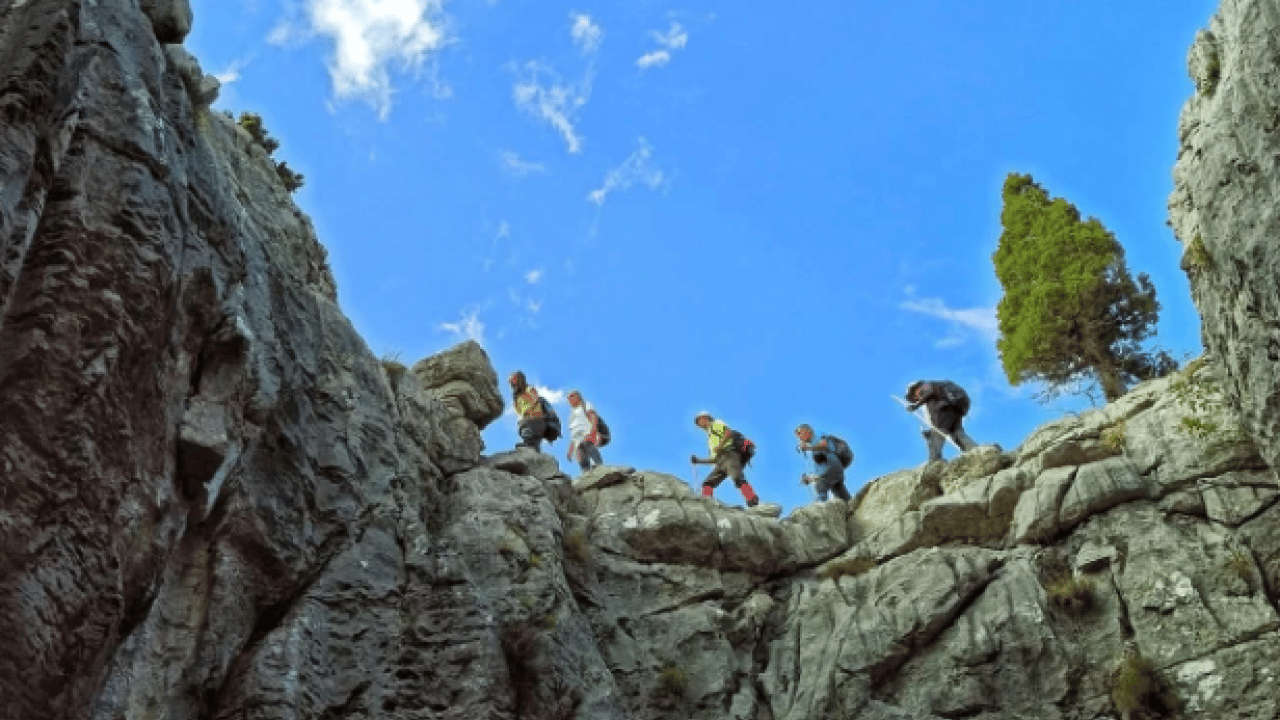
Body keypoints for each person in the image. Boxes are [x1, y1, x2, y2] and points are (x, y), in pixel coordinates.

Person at [690, 411, 761, 507]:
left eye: (698, 421)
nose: (698, 425)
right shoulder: (710, 436)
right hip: (720, 461)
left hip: (729, 455)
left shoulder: (715, 424)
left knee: (737, 478)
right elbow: (714, 459)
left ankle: (752, 499)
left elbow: (728, 433)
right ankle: (707, 503)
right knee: (708, 483)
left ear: (705, 418)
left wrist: (720, 445)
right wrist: (699, 461)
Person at [905, 380, 978, 462]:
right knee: (956, 433)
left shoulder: (924, 386)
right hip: (953, 410)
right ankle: (974, 450)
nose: (916, 399)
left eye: (913, 398)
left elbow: (929, 391)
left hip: (944, 409)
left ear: (913, 390)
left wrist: (916, 405)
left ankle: (935, 459)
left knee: (937, 434)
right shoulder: (932, 389)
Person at [794, 423, 852, 502]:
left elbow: (824, 445)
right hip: (834, 471)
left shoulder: (817, 434)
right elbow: (820, 474)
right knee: (839, 492)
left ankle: (820, 507)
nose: (799, 438)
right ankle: (851, 505)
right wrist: (809, 479)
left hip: (833, 464)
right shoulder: (813, 452)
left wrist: (809, 447)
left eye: (800, 433)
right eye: (797, 436)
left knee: (820, 485)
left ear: (807, 430)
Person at [566, 390, 606, 471]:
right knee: (581, 458)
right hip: (577, 440)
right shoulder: (571, 415)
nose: (569, 399)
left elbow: (593, 418)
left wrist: (593, 433)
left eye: (572, 396)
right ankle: (586, 474)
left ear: (578, 396)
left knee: (590, 448)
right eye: (568, 398)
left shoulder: (585, 405)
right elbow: (574, 433)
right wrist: (570, 450)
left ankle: (599, 468)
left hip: (587, 434)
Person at [509, 371, 546, 451]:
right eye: (511, 381)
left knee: (529, 431)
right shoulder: (517, 396)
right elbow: (518, 409)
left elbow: (535, 399)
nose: (512, 383)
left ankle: (530, 446)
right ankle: (531, 446)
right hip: (527, 419)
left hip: (536, 419)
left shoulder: (529, 389)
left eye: (514, 380)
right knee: (525, 429)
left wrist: (527, 410)